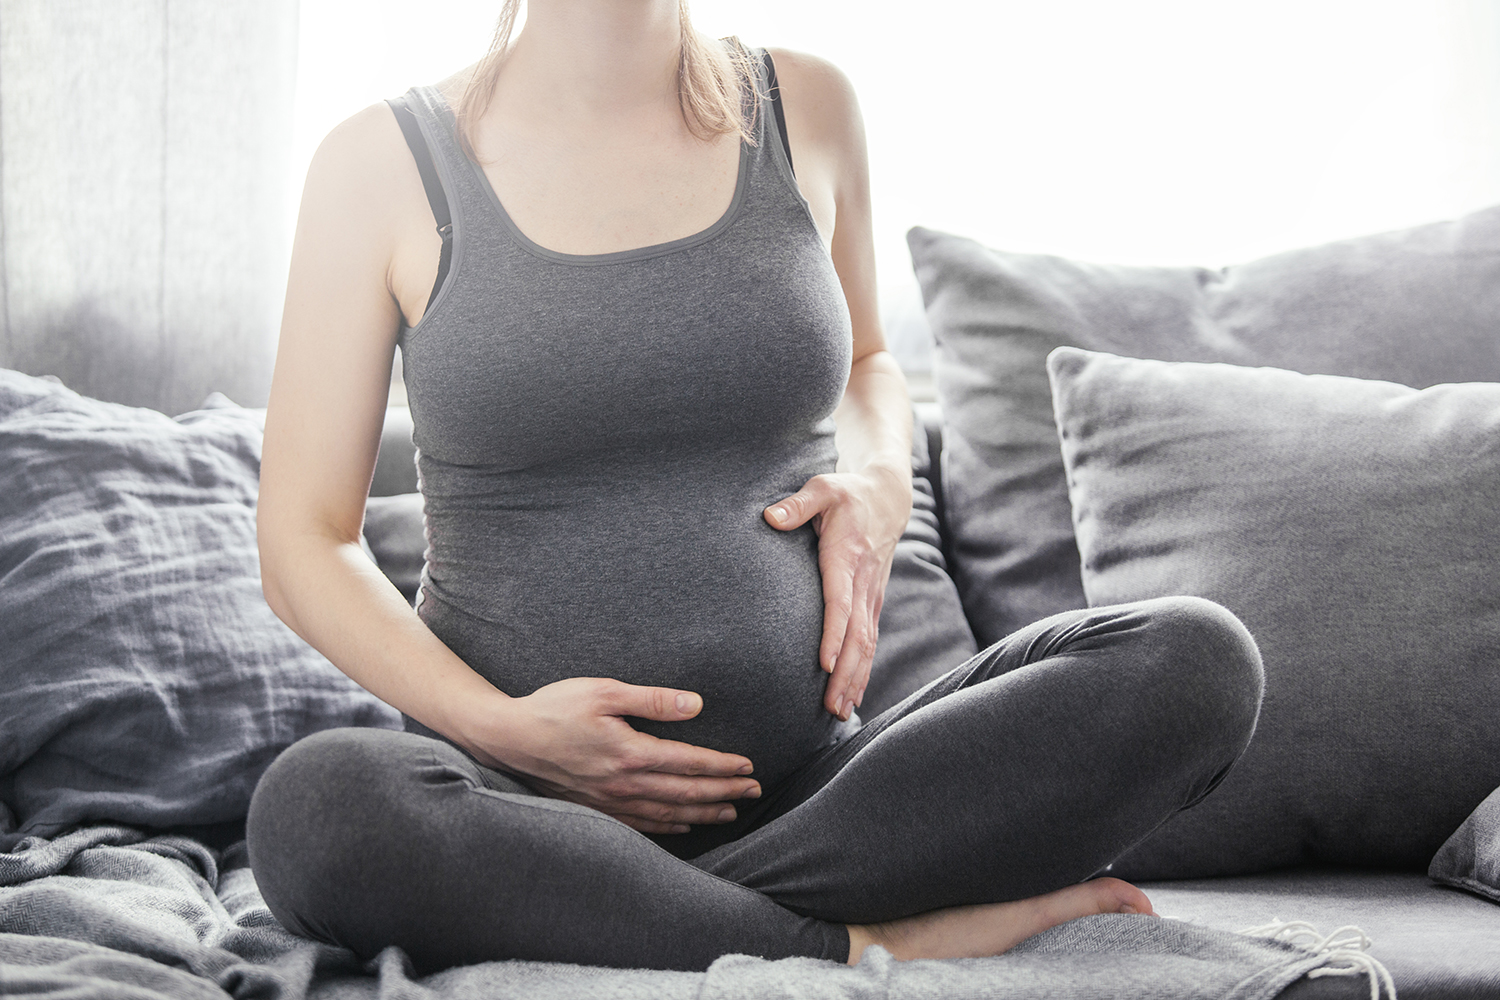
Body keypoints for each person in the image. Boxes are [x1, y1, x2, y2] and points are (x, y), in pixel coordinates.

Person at [247, 0, 1264, 973]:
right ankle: (868, 944)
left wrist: (877, 483)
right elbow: (304, 539)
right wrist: (505, 729)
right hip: (511, 802)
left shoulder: (809, 107)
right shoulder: (378, 166)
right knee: (317, 812)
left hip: (821, 796)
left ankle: (644, 916)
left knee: (1197, 661)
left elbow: (870, 363)